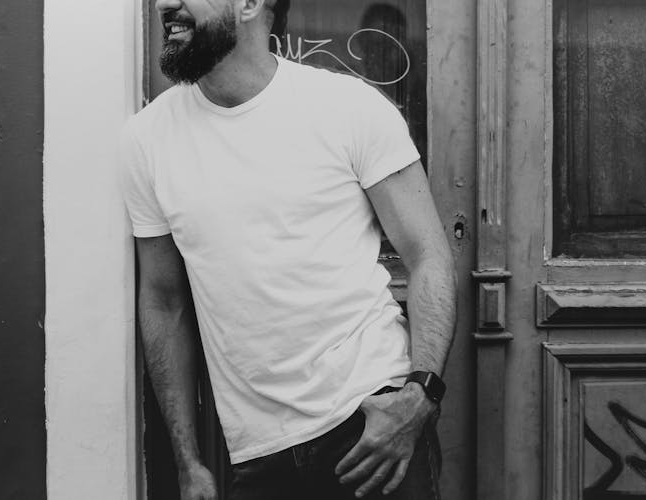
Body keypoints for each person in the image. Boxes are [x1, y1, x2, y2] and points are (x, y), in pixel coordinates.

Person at [118, 0, 457, 499]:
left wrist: (419, 395)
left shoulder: (348, 108)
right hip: (258, 454)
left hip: (370, 425)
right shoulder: (146, 140)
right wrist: (187, 461)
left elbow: (428, 254)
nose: (168, 4)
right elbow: (164, 303)